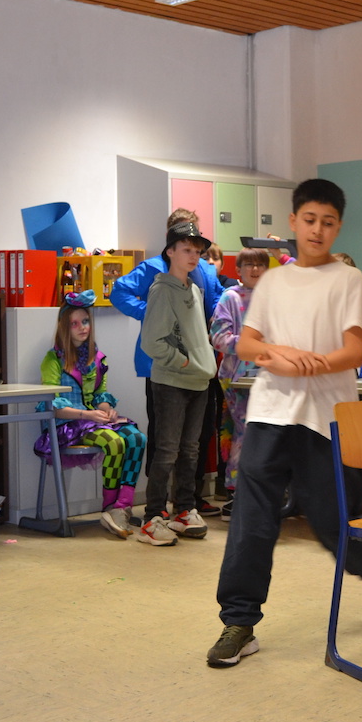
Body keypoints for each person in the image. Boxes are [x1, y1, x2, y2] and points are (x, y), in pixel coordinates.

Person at [207, 178, 362, 669]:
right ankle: (239, 621)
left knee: (331, 525)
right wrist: (280, 354)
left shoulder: (349, 280)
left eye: (328, 222)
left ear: (338, 227)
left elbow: (355, 350)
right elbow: (247, 343)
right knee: (252, 521)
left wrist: (311, 364)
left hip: (325, 418)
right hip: (269, 413)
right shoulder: (274, 282)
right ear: (293, 223)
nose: (317, 230)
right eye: (309, 220)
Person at [110, 208, 223, 516]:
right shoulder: (154, 270)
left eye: (196, 243)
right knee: (165, 441)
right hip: (164, 367)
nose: (193, 250)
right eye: (185, 242)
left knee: (195, 441)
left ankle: (189, 501)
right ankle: (156, 508)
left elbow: (217, 303)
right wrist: (152, 315)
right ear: (170, 243)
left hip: (198, 367)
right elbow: (119, 291)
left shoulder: (205, 272)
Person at [35, 290, 147, 540]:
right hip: (67, 425)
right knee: (115, 442)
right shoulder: (53, 359)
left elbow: (100, 394)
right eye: (74, 323)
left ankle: (123, 506)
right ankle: (109, 507)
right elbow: (53, 406)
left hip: (93, 421)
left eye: (85, 321)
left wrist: (106, 409)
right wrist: (88, 415)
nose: (82, 327)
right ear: (64, 327)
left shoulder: (96, 358)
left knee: (138, 438)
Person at [139, 221, 218, 546]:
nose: (194, 256)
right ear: (170, 251)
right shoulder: (162, 290)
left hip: (199, 381)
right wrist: (183, 361)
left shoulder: (195, 290)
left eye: (197, 251)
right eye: (187, 250)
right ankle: (152, 517)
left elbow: (197, 335)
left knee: (190, 450)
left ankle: (184, 510)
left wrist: (199, 364)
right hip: (172, 381)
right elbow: (152, 342)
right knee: (167, 450)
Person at [209, 247, 270, 514]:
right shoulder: (230, 297)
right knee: (245, 430)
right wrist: (251, 345)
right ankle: (236, 492)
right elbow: (218, 337)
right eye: (249, 265)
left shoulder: (273, 298)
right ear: (238, 269)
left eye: (260, 265)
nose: (255, 270)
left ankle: (262, 491)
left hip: (269, 377)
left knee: (266, 433)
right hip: (238, 378)